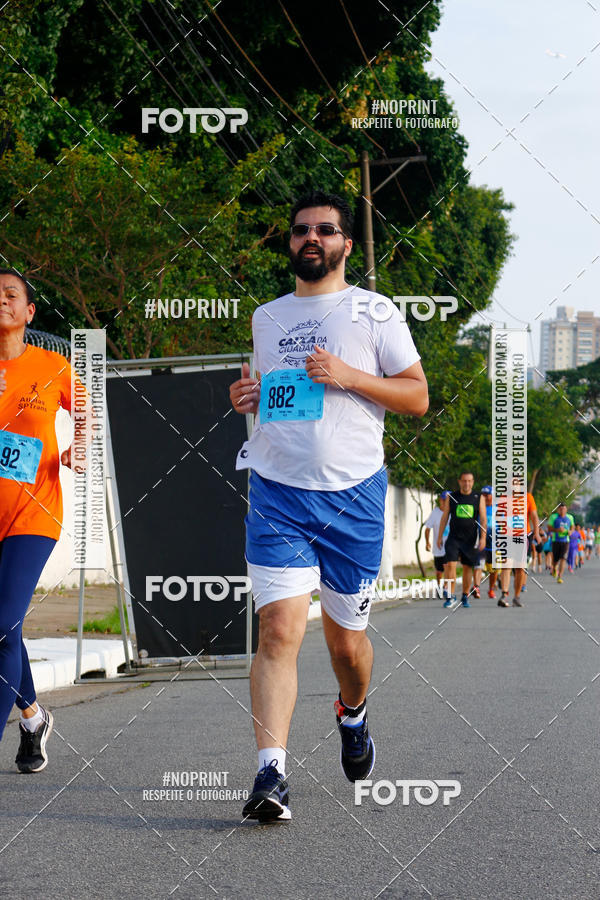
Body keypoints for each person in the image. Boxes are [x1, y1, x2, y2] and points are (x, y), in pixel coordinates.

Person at [229, 191, 428, 822]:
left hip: (354, 495)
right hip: (277, 492)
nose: (311, 238)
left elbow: (417, 397)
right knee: (279, 630)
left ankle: (354, 713)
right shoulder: (267, 316)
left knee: (347, 646)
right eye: (300, 231)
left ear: (345, 243)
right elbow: (277, 400)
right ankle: (270, 774)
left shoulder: (376, 312)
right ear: (289, 244)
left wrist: (350, 375)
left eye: (325, 230)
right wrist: (248, 399)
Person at [0, 268, 75, 773]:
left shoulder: (52, 365)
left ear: (29, 313)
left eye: (10, 296)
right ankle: (32, 717)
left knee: (2, 624)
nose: (0, 302)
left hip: (35, 512)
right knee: (5, 632)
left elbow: (91, 416)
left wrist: (76, 449)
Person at [437, 472, 486, 608]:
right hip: (453, 538)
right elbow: (444, 517)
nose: (467, 484)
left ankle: (465, 595)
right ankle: (451, 596)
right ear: (459, 482)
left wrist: (483, 537)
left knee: (467, 568)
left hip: (470, 539)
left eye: (469, 481)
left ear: (473, 482)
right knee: (451, 565)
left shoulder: (478, 497)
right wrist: (440, 536)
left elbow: (483, 519)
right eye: (464, 481)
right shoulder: (452, 497)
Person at [498, 486, 541, 607]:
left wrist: (537, 533)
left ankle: (516, 597)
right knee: (506, 563)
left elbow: (534, 516)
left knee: (520, 569)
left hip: (523, 537)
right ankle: (504, 595)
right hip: (507, 536)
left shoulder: (528, 497)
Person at [424, 492, 450, 596]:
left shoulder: (453, 513)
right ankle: (439, 586)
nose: (445, 502)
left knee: (448, 566)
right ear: (440, 500)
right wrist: (427, 543)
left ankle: (445, 588)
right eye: (444, 500)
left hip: (450, 546)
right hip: (438, 547)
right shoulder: (435, 512)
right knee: (439, 570)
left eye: (448, 500)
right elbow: (427, 529)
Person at [479, 486, 500, 600]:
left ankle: (491, 589)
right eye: (483, 494)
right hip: (481, 542)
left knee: (494, 570)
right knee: (478, 566)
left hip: (494, 545)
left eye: (487, 495)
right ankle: (476, 588)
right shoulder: (478, 508)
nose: (485, 497)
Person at [547, 502, 574, 584]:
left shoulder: (570, 517)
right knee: (555, 560)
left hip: (565, 541)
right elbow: (549, 528)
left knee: (563, 558)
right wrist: (557, 530)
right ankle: (554, 568)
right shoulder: (553, 517)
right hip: (556, 541)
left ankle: (560, 576)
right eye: (561, 509)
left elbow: (572, 527)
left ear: (566, 509)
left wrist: (570, 531)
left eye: (564, 509)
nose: (562, 511)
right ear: (558, 510)